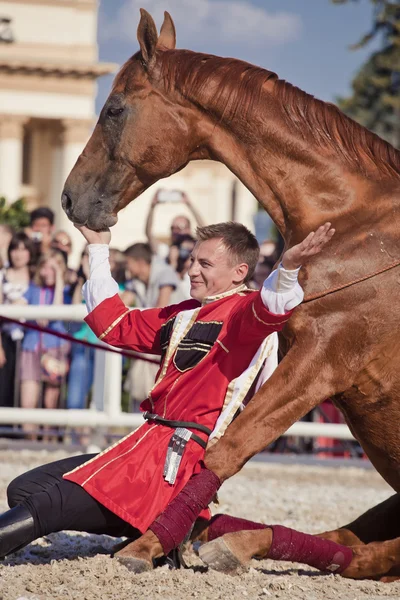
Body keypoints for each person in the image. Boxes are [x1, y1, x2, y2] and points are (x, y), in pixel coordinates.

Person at [0, 221, 334, 570]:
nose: (191, 270)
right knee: (24, 489)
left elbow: (272, 308)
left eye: (204, 264)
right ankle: (164, 530)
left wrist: (289, 268)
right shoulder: (183, 313)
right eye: (192, 260)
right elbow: (113, 325)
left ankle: (163, 529)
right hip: (142, 447)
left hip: (172, 461)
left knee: (45, 506)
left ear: (239, 272)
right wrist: (99, 247)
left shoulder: (244, 312)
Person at [122, 242, 180, 409]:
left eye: (129, 263)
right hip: (153, 346)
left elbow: (160, 312)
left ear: (140, 263)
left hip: (172, 347)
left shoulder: (165, 273)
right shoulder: (136, 281)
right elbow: (120, 306)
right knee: (142, 390)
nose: (127, 268)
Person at [19, 249, 71, 436]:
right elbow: (20, 305)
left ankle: (48, 444)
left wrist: (58, 280)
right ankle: (29, 443)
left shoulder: (65, 291)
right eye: (45, 267)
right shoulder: (32, 288)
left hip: (54, 348)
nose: (48, 272)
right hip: (31, 348)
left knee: (51, 402)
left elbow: (57, 308)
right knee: (28, 402)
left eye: (53, 268)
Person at [0, 233, 36, 409]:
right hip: (6, 340)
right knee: (5, 388)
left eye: (23, 249)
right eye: (15, 249)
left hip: (31, 341)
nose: (18, 254)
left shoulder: (37, 276)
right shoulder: (2, 275)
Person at [145, 190, 205, 259]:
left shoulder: (197, 247)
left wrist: (190, 205)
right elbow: (149, 233)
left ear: (188, 229)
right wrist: (152, 206)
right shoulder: (166, 251)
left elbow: (204, 231)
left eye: (180, 227)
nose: (175, 231)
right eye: (172, 228)